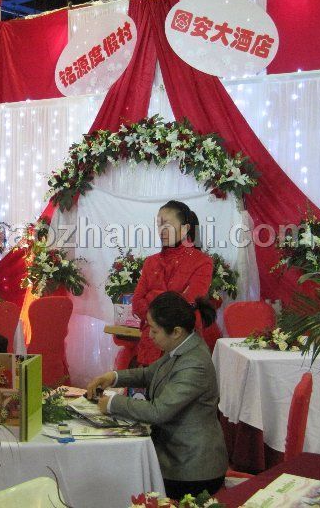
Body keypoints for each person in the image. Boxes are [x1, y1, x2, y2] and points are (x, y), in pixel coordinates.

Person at [86, 291, 227, 500]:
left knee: (119, 478)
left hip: (191, 469)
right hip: (174, 454)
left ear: (176, 331)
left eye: (154, 330)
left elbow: (158, 411)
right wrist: (113, 377)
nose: (149, 336)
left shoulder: (194, 363)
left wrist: (113, 402)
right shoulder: (183, 345)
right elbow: (149, 373)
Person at [131, 200, 214, 366]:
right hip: (150, 344)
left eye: (167, 224)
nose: (161, 230)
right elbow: (137, 302)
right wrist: (168, 300)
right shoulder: (151, 262)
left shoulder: (202, 262)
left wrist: (153, 297)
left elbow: (187, 306)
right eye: (159, 225)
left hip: (183, 345)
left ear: (185, 229)